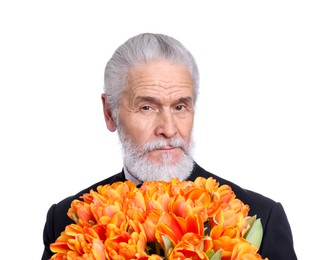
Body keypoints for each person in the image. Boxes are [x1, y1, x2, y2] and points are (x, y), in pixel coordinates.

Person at [42, 33, 297, 259]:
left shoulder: (261, 218)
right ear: (109, 113)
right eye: (147, 107)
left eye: (180, 107)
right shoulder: (66, 220)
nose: (168, 128)